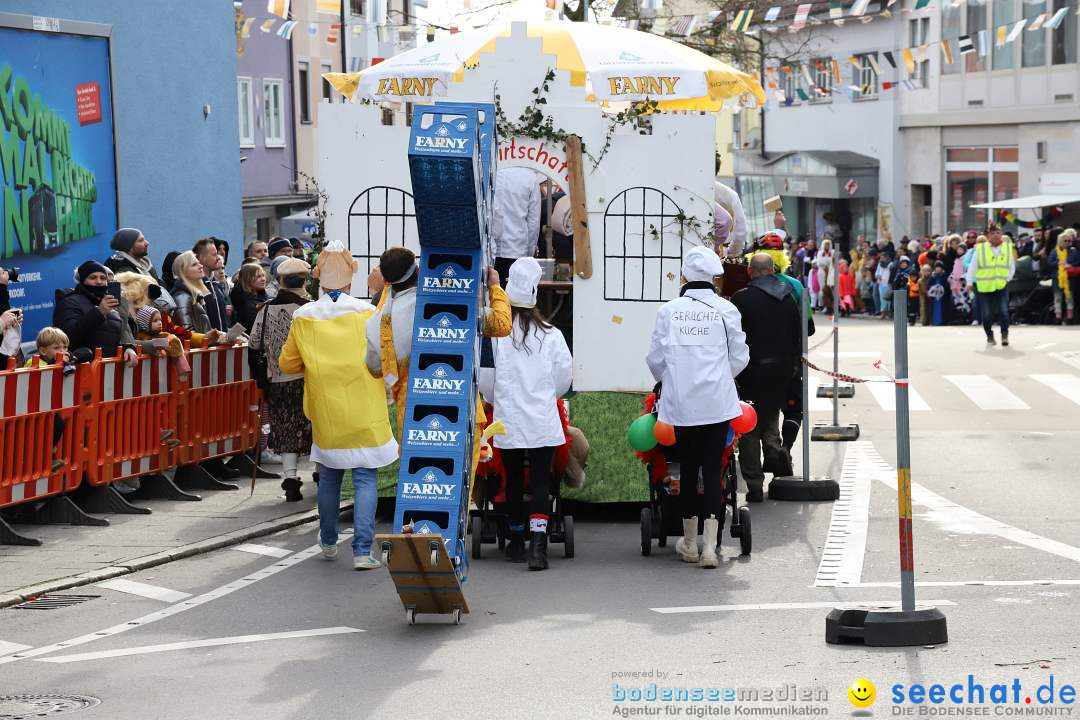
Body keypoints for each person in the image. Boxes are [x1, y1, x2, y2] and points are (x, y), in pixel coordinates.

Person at [278, 241, 397, 570]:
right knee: (365, 479)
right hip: (365, 407)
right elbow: (381, 354)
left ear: (319, 280)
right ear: (349, 282)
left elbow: (287, 364)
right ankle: (362, 551)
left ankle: (328, 541)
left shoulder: (304, 317)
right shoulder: (366, 313)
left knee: (329, 478)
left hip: (326, 409)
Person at [646, 246, 749, 568]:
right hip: (716, 402)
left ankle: (690, 543)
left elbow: (656, 360)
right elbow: (740, 357)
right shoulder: (726, 309)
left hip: (682, 402)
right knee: (713, 470)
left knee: (688, 470)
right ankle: (710, 548)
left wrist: (674, 379)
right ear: (714, 276)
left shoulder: (669, 310)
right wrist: (719, 377)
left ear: (684, 276)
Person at [477, 258, 572, 571]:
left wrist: (502, 400)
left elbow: (486, 384)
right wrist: (545, 398)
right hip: (543, 418)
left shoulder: (494, 337)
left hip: (509, 418)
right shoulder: (552, 335)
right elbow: (563, 381)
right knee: (542, 481)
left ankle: (517, 541)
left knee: (515, 480)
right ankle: (538, 549)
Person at [731, 254, 801, 502]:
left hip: (751, 371)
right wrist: (793, 365)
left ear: (750, 271)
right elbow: (798, 334)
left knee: (749, 424)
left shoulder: (740, 299)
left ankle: (754, 485)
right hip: (781, 370)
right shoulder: (788, 297)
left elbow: (733, 338)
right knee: (770, 412)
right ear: (772, 271)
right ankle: (773, 447)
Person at [251, 258, 313, 502]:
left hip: (277, 379)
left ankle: (290, 477)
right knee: (314, 427)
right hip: (309, 377)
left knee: (285, 426)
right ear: (305, 281)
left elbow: (254, 344)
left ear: (280, 281)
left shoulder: (265, 310)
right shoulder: (311, 308)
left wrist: (259, 379)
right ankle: (320, 474)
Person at [56, 261, 138, 366]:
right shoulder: (69, 302)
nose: (99, 282)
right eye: (93, 277)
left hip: (107, 373)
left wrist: (127, 349)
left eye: (103, 278)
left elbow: (109, 340)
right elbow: (68, 336)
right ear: (82, 281)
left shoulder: (110, 306)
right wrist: (99, 312)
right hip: (79, 372)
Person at [966, 223, 1015, 346]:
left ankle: (1004, 335)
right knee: (986, 314)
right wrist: (969, 282)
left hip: (1001, 285)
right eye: (992, 233)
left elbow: (1011, 266)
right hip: (984, 286)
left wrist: (1007, 278)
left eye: (998, 233)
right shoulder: (981, 249)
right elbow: (972, 266)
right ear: (988, 236)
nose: (995, 235)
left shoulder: (1007, 248)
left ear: (1001, 234)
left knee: (1004, 310)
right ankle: (989, 335)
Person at [492, 167, 541, 284]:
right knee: (515, 298)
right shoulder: (530, 178)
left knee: (493, 297)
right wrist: (529, 253)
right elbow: (533, 222)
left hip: (491, 250)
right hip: (517, 250)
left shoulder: (493, 171)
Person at [170, 251, 213, 333]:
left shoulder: (193, 295)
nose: (200, 266)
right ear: (184, 271)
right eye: (194, 265)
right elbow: (186, 333)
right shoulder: (182, 297)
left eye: (199, 263)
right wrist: (212, 338)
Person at [192, 238, 230, 331]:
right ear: (201, 258)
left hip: (222, 344)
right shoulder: (194, 287)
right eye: (214, 254)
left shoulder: (216, 285)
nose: (218, 258)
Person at [1046, 229, 1075, 324]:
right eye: (1065, 240)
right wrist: (1058, 263)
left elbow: (1077, 261)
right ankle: (1058, 317)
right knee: (1057, 298)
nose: (1067, 242)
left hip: (1069, 279)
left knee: (1069, 298)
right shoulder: (1054, 251)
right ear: (1060, 241)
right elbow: (1050, 263)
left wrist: (1069, 264)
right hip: (1057, 278)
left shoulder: (1073, 251)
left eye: (1069, 240)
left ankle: (1070, 318)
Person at [230, 263, 269, 333]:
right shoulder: (244, 302)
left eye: (263, 276)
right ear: (247, 279)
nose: (263, 279)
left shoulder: (262, 295)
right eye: (258, 277)